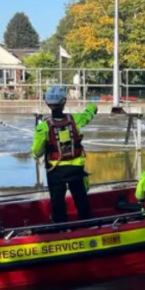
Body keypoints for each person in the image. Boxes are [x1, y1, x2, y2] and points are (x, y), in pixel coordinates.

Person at [31, 86, 99, 223]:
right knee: (81, 197)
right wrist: (93, 106)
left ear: (47, 103)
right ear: (64, 102)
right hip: (76, 168)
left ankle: (60, 225)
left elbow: (37, 152)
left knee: (57, 200)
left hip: (55, 170)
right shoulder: (76, 119)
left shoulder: (43, 127)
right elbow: (88, 115)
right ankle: (87, 223)